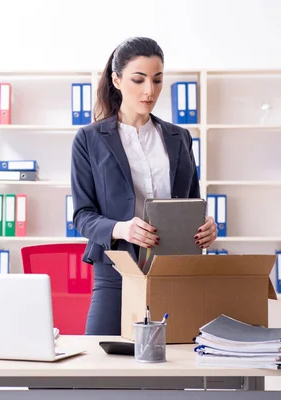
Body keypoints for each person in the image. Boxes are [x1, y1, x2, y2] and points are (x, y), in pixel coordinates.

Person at [70, 37, 218, 336]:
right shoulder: (89, 139)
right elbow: (83, 216)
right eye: (138, 80)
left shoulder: (179, 137)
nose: (149, 91)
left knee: (176, 362)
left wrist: (206, 226)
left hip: (174, 268)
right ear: (117, 79)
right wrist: (122, 229)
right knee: (99, 363)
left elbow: (191, 203)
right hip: (116, 268)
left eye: (157, 80)